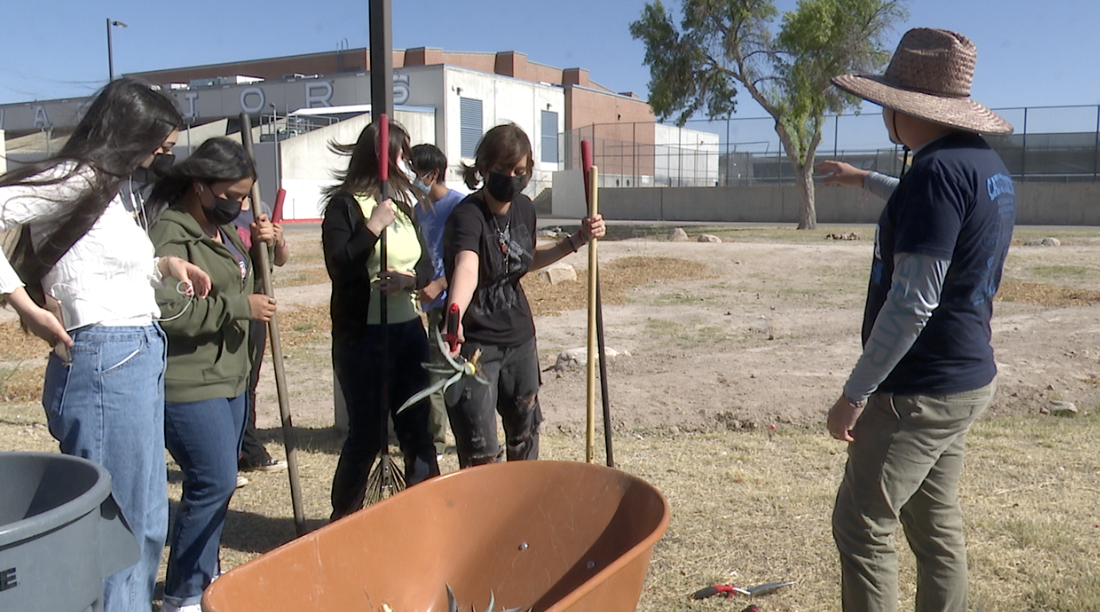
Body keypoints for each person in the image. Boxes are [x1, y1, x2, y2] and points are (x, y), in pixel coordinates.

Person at [0, 77, 209, 612]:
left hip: (133, 354)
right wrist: (24, 305)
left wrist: (165, 267)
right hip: (105, 357)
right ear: (129, 129)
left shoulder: (110, 190)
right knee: (119, 524)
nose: (163, 151)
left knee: (143, 520)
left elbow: (108, 266)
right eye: (158, 139)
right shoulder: (75, 177)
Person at [825, 28, 1016, 612]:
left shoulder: (934, 176)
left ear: (909, 109)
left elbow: (912, 303)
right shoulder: (982, 165)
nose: (883, 112)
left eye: (887, 103)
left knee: (861, 526)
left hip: (919, 390)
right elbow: (931, 205)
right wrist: (866, 179)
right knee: (935, 528)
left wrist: (855, 394)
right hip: (965, 381)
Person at [145, 137, 277, 612]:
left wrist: (268, 247)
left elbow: (250, 278)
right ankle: (183, 592)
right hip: (189, 383)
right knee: (214, 480)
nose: (240, 205)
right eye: (233, 196)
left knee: (218, 484)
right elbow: (167, 310)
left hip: (231, 381)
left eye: (244, 197)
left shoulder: (220, 231)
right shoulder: (171, 235)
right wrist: (238, 307)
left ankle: (205, 575)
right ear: (201, 185)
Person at [443, 123, 604, 468]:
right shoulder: (467, 217)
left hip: (519, 339)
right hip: (475, 345)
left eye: (519, 171)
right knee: (481, 451)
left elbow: (524, 260)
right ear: (483, 168)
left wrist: (576, 240)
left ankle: (524, 512)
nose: (511, 177)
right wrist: (454, 312)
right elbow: (467, 269)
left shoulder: (525, 209)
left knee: (525, 436)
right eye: (502, 169)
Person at [322, 120, 440, 520]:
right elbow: (338, 264)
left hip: (408, 332)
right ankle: (344, 518)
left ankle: (425, 514)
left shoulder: (406, 209)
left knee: (416, 429)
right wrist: (373, 227)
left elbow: (426, 266)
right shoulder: (344, 206)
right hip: (362, 338)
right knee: (368, 434)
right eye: (402, 154)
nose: (408, 162)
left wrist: (412, 280)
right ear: (382, 157)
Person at [409, 143, 466, 458]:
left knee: (455, 367)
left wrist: (442, 284)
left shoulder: (458, 206)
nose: (409, 178)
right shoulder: (419, 211)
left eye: (413, 171)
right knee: (434, 371)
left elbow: (468, 257)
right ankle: (437, 437)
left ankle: (459, 434)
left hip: (452, 302)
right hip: (431, 305)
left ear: (431, 174)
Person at [232, 196, 290, 482]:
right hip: (233, 307)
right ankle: (231, 453)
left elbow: (280, 259)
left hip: (258, 306)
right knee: (231, 382)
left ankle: (248, 448)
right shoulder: (218, 211)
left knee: (249, 381)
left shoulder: (260, 209)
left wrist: (276, 240)